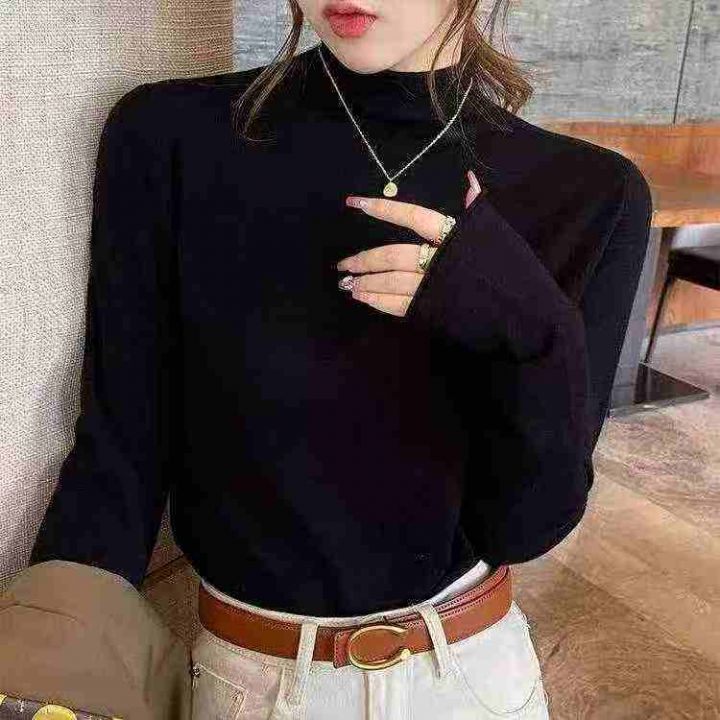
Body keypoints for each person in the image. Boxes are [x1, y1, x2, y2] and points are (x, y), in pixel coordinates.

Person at [0, 0, 653, 718]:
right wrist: (51, 673)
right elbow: (122, 440)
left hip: (474, 683)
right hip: (249, 688)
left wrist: (532, 334)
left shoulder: (591, 193)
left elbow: (524, 528)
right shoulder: (171, 136)